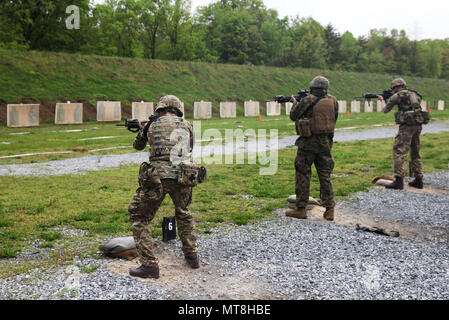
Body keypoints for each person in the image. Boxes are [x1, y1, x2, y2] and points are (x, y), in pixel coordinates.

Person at [127, 95, 199, 279]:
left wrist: (143, 129)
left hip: (156, 177)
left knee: (139, 216)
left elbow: (138, 146)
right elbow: (190, 147)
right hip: (183, 175)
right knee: (183, 213)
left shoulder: (152, 124)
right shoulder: (187, 124)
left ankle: (149, 265)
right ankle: (192, 257)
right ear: (177, 109)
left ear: (160, 108)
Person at [287, 76, 338, 221]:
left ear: (312, 87)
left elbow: (293, 116)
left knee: (303, 173)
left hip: (308, 143)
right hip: (325, 143)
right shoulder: (333, 100)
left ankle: (301, 209)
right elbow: (334, 117)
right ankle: (329, 210)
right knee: (325, 175)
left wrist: (295, 103)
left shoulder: (307, 100)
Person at [377, 78, 426, 190]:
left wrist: (382, 100)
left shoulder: (397, 96)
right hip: (417, 124)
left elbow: (385, 110)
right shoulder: (413, 94)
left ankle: (398, 181)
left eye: (394, 88)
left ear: (396, 87)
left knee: (399, 151)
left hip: (407, 126)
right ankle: (419, 179)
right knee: (415, 151)